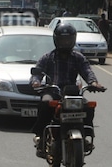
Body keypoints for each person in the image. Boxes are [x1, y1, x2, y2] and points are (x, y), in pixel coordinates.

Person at [30, 23, 106, 157]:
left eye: (68, 40)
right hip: (53, 91)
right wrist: (36, 82)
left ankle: (86, 137)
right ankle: (41, 137)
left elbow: (87, 71)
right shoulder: (48, 57)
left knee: (88, 107)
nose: (65, 43)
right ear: (56, 40)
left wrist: (94, 83)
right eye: (63, 40)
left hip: (72, 93)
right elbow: (37, 73)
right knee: (45, 103)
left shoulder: (78, 57)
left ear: (73, 40)